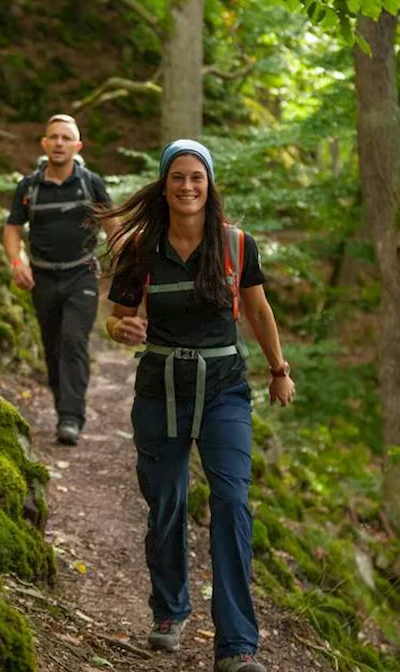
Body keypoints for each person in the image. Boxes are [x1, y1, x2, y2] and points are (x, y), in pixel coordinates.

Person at [104, 139, 295, 672]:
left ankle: (236, 646)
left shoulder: (236, 245)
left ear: (209, 186)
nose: (188, 186)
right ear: (164, 187)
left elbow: (257, 309)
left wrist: (279, 371)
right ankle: (170, 611)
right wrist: (124, 328)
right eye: (178, 178)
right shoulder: (140, 248)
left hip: (225, 390)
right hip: (160, 388)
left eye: (197, 178)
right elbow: (114, 317)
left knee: (232, 504)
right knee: (166, 502)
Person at [4, 114, 114, 445]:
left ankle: (71, 417)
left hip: (82, 273)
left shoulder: (90, 183)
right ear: (44, 143)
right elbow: (12, 229)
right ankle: (62, 408)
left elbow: (113, 225)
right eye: (54, 137)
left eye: (66, 138)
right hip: (42, 278)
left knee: (73, 339)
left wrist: (128, 263)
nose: (59, 143)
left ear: (77, 146)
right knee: (52, 346)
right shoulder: (29, 187)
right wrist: (16, 262)